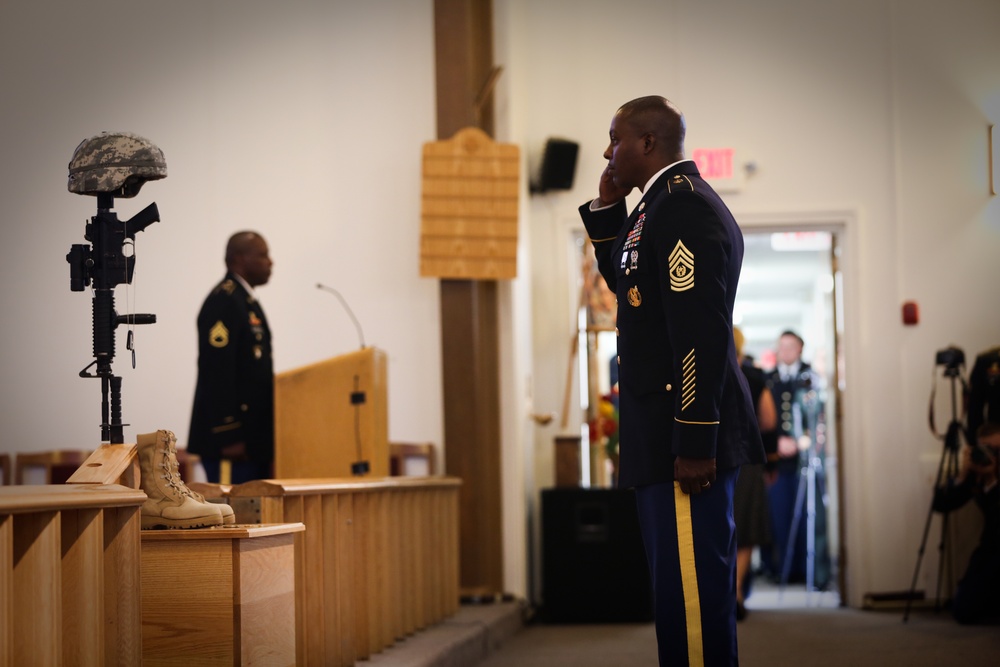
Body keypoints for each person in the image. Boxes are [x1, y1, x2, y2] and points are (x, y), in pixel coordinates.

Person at [579, 95, 764, 666]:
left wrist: (693, 440)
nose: (608, 152)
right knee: (678, 598)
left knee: (693, 605)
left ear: (648, 144)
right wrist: (609, 212)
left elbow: (698, 335)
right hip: (660, 435)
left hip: (679, 441)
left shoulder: (682, 207)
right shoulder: (652, 208)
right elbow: (632, 291)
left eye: (615, 139)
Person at [188, 231, 275, 484]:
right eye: (263, 255)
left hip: (251, 441)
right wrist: (229, 433)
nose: (271, 262)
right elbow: (216, 370)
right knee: (232, 517)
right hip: (231, 445)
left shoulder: (244, 300)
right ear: (239, 259)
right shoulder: (225, 301)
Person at [763, 330, 831, 589]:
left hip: (805, 459)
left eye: (791, 346)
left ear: (800, 349)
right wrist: (778, 441)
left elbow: (816, 416)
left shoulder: (811, 378)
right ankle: (782, 570)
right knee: (778, 515)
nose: (787, 351)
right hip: (777, 461)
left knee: (807, 516)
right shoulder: (769, 379)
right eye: (782, 346)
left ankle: (808, 571)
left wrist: (801, 440)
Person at [932, 422, 1000, 624]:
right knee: (963, 609)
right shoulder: (978, 472)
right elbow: (940, 504)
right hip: (990, 551)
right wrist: (963, 474)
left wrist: (992, 482)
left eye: (997, 450)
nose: (992, 455)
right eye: (986, 449)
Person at [732, 327, 778, 621]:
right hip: (747, 458)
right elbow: (769, 420)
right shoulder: (755, 377)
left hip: (710, 459)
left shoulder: (700, 370)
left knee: (716, 527)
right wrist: (771, 461)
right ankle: (735, 589)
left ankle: (719, 591)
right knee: (745, 529)